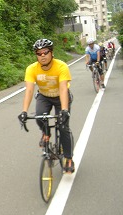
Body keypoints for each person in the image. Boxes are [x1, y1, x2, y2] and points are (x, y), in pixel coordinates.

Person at [18, 39, 75, 174]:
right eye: (39, 53)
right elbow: (30, 91)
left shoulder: (61, 66)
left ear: (52, 53)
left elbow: (62, 89)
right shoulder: (31, 69)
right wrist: (24, 111)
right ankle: (46, 133)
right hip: (44, 96)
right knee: (39, 117)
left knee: (63, 127)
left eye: (45, 52)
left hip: (61, 97)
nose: (42, 55)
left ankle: (68, 158)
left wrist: (65, 110)